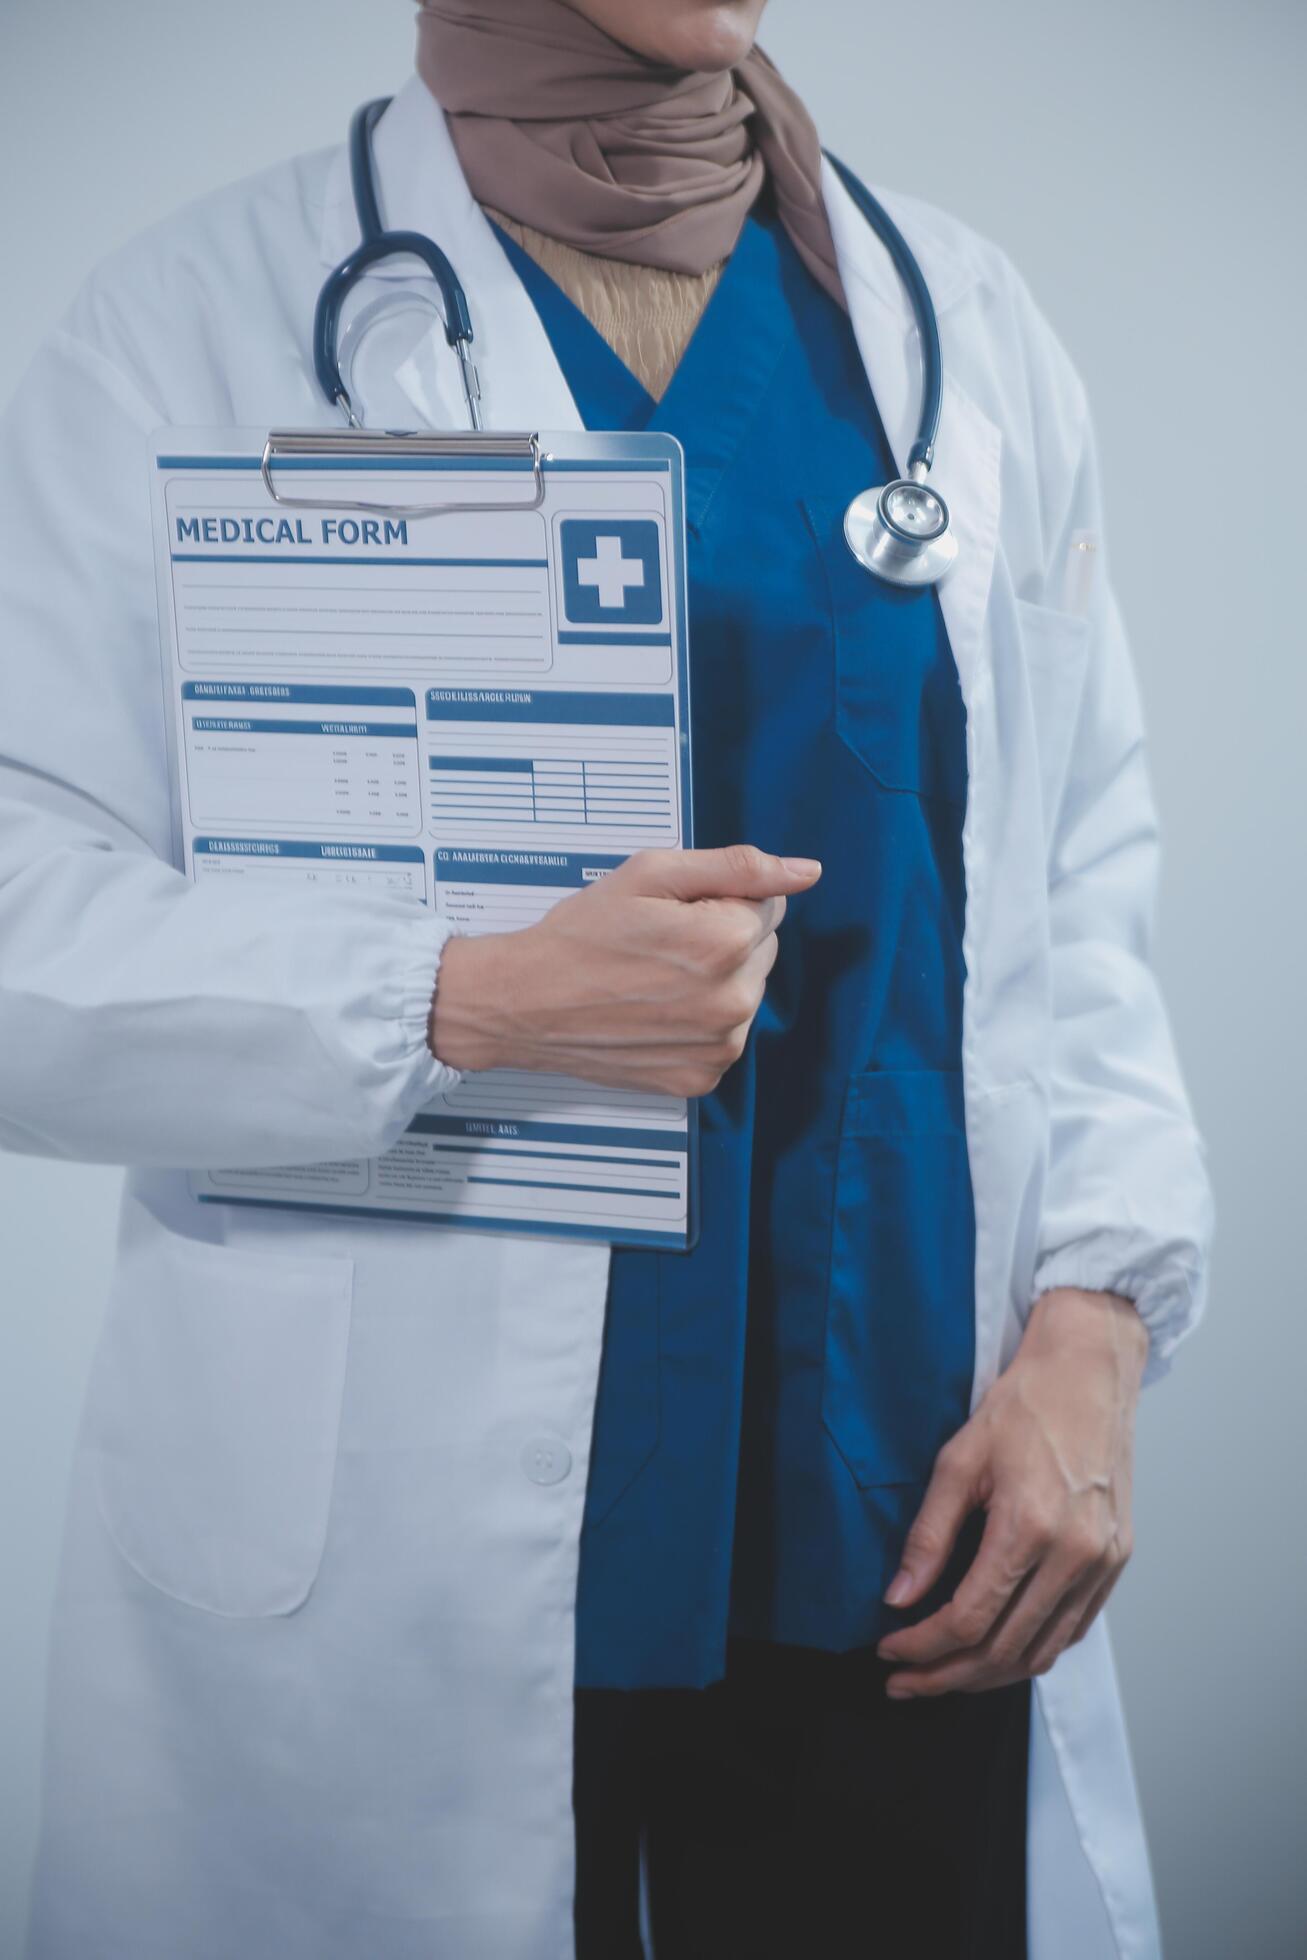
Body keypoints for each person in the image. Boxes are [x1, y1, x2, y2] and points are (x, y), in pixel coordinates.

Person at [0, 1, 1212, 1955]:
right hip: (391, 1536)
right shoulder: (187, 322)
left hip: (910, 1493)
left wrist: (1096, 1316)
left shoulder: (952, 323)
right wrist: (447, 993)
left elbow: (1080, 877)